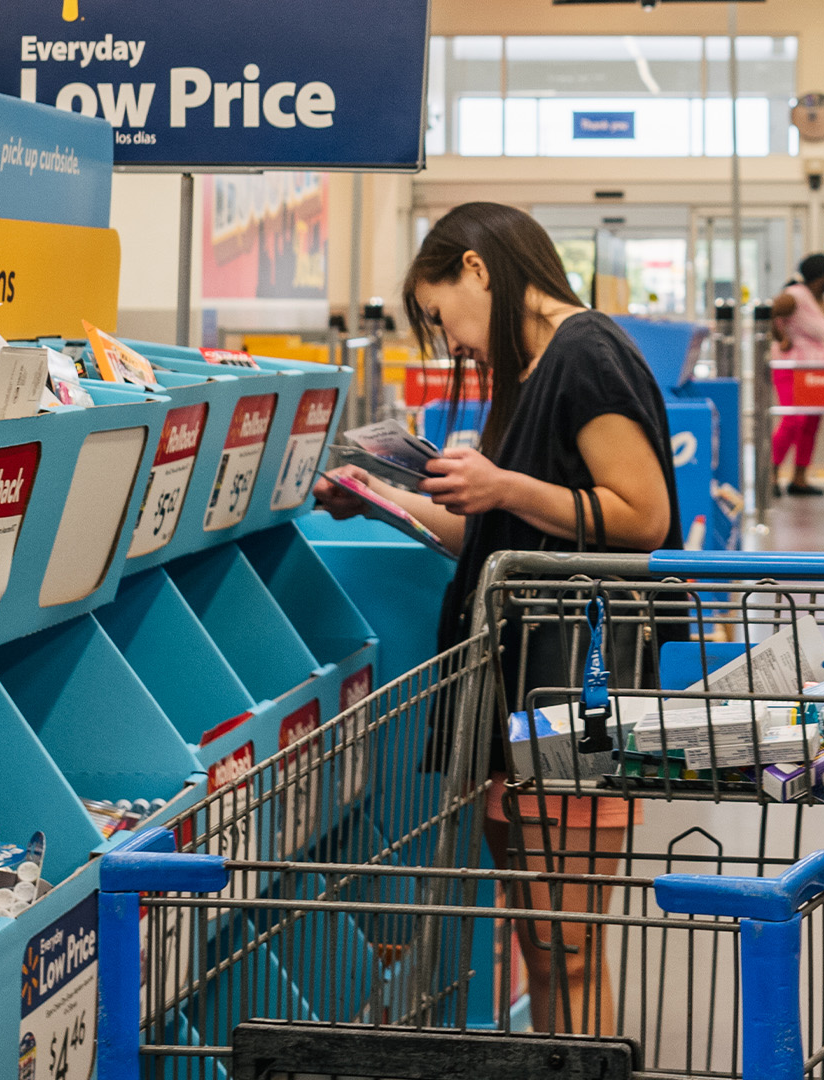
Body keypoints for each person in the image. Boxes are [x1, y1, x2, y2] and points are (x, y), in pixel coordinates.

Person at [311, 201, 681, 1035]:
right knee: (545, 946)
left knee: (571, 948)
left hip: (578, 692)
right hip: (522, 694)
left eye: (443, 317)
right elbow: (493, 538)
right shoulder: (535, 368)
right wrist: (383, 500)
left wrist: (503, 485)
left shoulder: (588, 354)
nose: (455, 346)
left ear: (477, 269)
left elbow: (643, 514)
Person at [768, 254, 824, 495]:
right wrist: (781, 337)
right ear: (819, 276)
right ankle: (770, 474)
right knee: (792, 421)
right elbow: (769, 311)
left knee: (811, 424)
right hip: (792, 368)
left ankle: (800, 478)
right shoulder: (795, 296)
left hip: (819, 371)